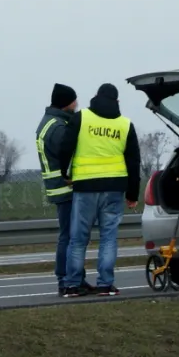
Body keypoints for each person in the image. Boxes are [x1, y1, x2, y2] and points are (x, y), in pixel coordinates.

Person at [59, 83, 141, 298]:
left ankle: (72, 285)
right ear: (117, 102)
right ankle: (105, 284)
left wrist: (64, 173)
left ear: (96, 96)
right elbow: (133, 162)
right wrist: (133, 195)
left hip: (85, 186)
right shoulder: (125, 125)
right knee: (108, 238)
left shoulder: (82, 117)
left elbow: (66, 146)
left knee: (78, 238)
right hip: (114, 188)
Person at [35, 83, 86, 296]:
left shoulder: (52, 123)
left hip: (60, 189)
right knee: (69, 236)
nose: (76, 104)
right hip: (65, 188)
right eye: (74, 101)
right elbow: (69, 154)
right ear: (67, 103)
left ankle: (75, 279)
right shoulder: (57, 127)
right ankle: (66, 280)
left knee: (72, 236)